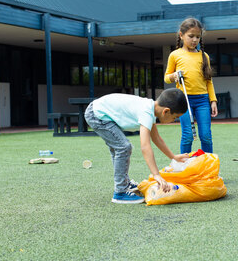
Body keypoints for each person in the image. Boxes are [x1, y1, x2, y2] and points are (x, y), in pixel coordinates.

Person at [84, 88, 189, 204]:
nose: (173, 120)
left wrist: (173, 156)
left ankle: (123, 183)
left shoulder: (151, 108)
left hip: (100, 111)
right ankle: (120, 192)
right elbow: (145, 146)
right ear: (166, 111)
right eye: (174, 118)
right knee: (123, 147)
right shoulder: (146, 112)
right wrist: (156, 175)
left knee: (119, 147)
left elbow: (156, 139)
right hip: (97, 114)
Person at [164, 17, 218, 153]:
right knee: (187, 136)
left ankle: (207, 166)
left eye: (198, 37)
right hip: (183, 101)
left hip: (203, 101)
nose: (195, 40)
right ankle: (185, 166)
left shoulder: (204, 56)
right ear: (181, 36)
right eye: (191, 36)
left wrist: (213, 101)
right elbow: (166, 78)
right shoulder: (175, 55)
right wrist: (174, 76)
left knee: (206, 136)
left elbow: (208, 81)